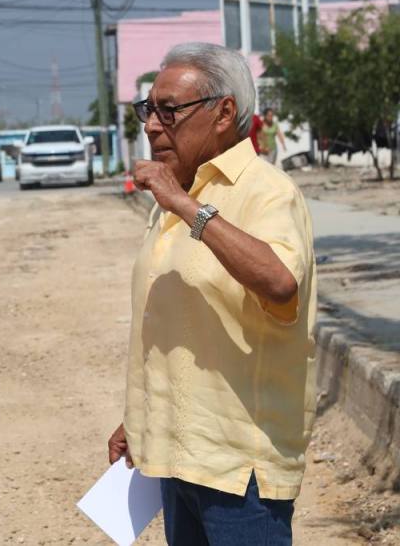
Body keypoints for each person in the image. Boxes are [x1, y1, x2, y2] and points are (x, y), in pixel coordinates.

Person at [113, 42, 316, 545]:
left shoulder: (266, 191)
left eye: (169, 110)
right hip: (177, 457)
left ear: (224, 113)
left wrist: (186, 207)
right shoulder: (180, 194)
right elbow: (178, 325)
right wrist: (138, 418)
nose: (152, 126)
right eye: (147, 110)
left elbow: (279, 281)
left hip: (239, 471)